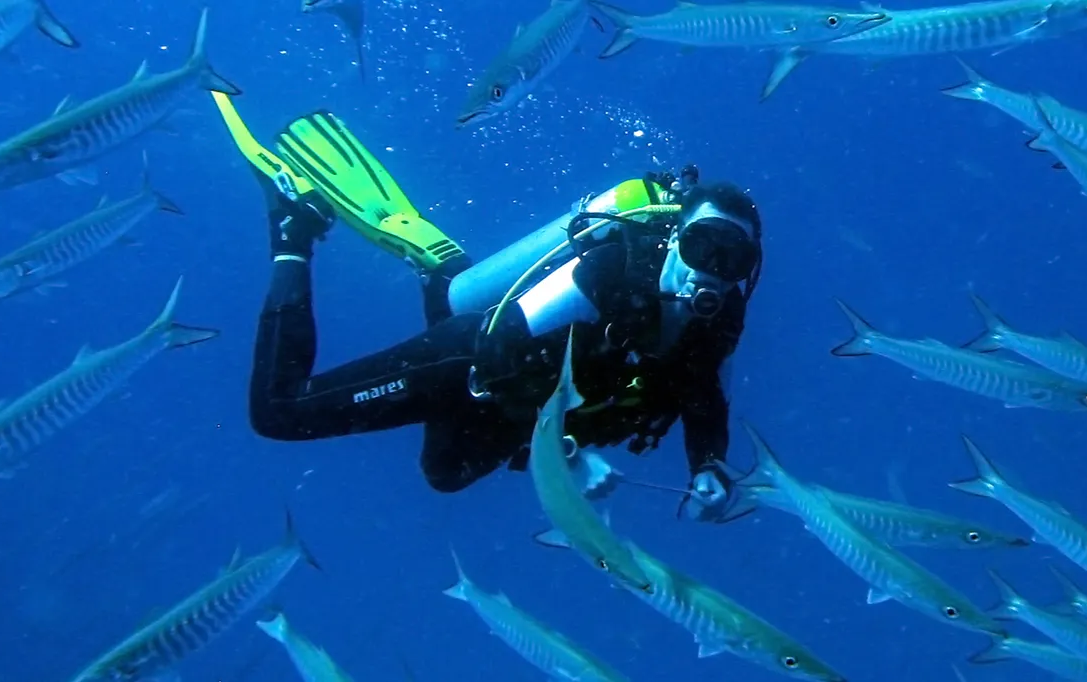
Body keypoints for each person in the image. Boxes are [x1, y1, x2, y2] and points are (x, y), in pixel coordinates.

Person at [211, 93, 762, 521]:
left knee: (446, 475)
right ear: (675, 237)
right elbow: (500, 341)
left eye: (731, 259)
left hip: (516, 406)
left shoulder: (720, 323)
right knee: (279, 413)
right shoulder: (614, 269)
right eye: (702, 245)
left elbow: (706, 398)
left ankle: (442, 269)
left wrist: (708, 466)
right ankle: (294, 228)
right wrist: (565, 456)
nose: (710, 270)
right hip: (470, 363)